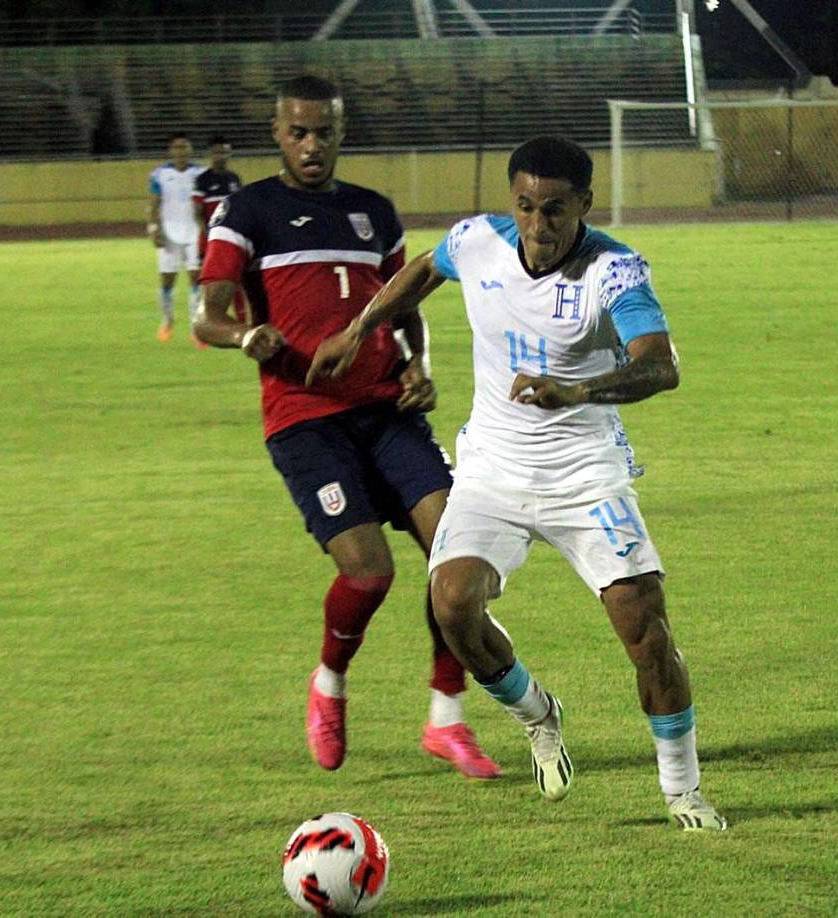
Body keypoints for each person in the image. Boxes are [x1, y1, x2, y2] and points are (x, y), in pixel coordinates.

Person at [308, 135, 727, 831]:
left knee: (644, 628)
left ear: (584, 206)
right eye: (526, 206)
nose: (537, 225)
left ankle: (681, 791)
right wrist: (362, 326)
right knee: (451, 603)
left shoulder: (614, 270)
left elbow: (660, 366)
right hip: (491, 471)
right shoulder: (477, 240)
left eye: (555, 209)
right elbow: (421, 269)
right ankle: (536, 714)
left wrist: (577, 390)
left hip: (585, 474)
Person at [193, 75, 499, 780]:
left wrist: (418, 364)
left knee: (460, 559)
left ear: (340, 131)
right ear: (276, 132)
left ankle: (447, 719)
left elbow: (405, 304)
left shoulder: (372, 212)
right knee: (368, 574)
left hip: (386, 410)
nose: (310, 145)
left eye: (323, 131)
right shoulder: (248, 210)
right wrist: (245, 338)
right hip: (305, 421)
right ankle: (328, 684)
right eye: (297, 132)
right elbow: (207, 313)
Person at [148, 133, 205, 343]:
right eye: (177, 147)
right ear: (170, 151)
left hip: (194, 233)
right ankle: (167, 321)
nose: (181, 151)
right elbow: (154, 203)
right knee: (167, 281)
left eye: (184, 147)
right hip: (168, 233)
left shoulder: (201, 173)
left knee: (196, 281)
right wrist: (154, 228)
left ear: (190, 150)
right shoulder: (159, 174)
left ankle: (195, 328)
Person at [192, 136, 248, 323]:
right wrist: (209, 237)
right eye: (217, 152)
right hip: (210, 242)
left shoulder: (234, 179)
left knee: (237, 284)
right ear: (211, 154)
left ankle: (242, 324)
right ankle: (203, 325)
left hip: (232, 242)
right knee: (210, 286)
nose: (221, 156)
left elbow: (240, 209)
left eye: (224, 152)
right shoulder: (202, 180)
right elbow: (198, 213)